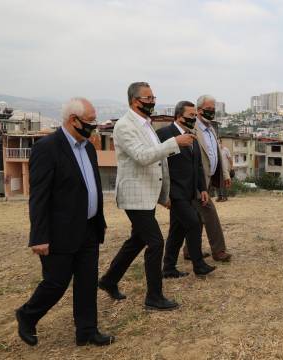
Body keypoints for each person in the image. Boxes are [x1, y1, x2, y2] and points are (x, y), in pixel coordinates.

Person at [15, 98, 113, 347]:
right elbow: (39, 196)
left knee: (87, 282)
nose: (94, 127)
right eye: (90, 122)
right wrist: (38, 236)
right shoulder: (47, 148)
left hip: (89, 227)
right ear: (73, 120)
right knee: (56, 283)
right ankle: (27, 315)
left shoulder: (88, 147)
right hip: (60, 231)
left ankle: (87, 331)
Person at [99, 82, 195, 311]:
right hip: (135, 195)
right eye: (148, 98)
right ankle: (154, 296)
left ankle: (109, 280)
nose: (152, 101)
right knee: (155, 241)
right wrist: (174, 143)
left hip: (148, 194)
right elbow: (143, 156)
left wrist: (163, 195)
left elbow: (158, 162)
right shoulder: (124, 126)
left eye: (153, 97)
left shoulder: (146, 124)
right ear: (135, 101)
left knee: (137, 240)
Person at [156, 101, 216, 278]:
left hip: (189, 192)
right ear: (178, 116)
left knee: (178, 230)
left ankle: (168, 267)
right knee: (194, 222)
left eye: (194, 116)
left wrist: (202, 189)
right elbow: (158, 164)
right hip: (174, 192)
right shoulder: (164, 134)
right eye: (190, 116)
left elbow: (197, 165)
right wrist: (163, 194)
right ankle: (198, 265)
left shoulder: (192, 135)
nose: (194, 118)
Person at [182, 95, 232, 262]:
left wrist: (224, 174)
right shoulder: (192, 128)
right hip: (196, 181)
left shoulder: (211, 128)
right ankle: (218, 251)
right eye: (209, 109)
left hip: (209, 179)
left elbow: (216, 153)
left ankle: (189, 250)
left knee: (197, 216)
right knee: (209, 214)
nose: (212, 112)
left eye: (213, 109)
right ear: (199, 110)